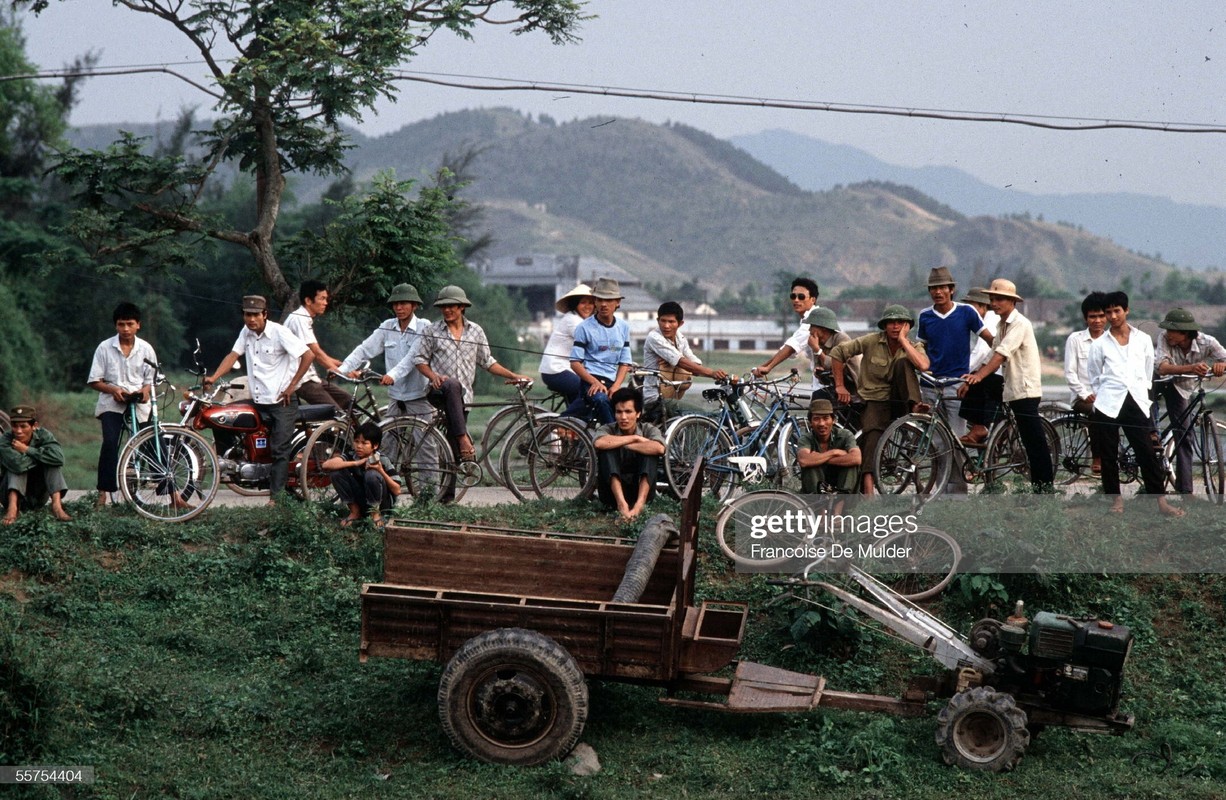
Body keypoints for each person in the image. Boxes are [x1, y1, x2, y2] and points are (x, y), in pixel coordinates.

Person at [204, 295, 314, 502]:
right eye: (247, 314)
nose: (251, 319)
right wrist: (213, 377)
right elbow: (233, 355)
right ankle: (235, 462)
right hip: (258, 399)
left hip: (282, 402)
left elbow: (308, 355)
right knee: (222, 418)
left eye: (255, 315)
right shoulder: (246, 332)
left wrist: (292, 386)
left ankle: (276, 498)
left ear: (265, 314)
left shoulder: (279, 332)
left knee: (279, 448)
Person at [1085, 291, 1181, 516]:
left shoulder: (1143, 339)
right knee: (1109, 454)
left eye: (1117, 311)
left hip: (1137, 401)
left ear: (1126, 310)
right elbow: (1094, 376)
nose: (1113, 316)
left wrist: (1141, 393)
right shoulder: (1100, 344)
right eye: (1108, 312)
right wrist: (1105, 396)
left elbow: (1148, 372)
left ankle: (1161, 502)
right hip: (1108, 403)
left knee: (1147, 452)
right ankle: (1116, 501)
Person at [413, 285, 532, 462]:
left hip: (464, 399)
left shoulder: (475, 331)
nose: (447, 310)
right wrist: (434, 377)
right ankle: (464, 439)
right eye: (443, 307)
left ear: (462, 307)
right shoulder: (432, 331)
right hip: (438, 392)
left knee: (454, 454)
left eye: (451, 306)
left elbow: (487, 362)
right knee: (452, 384)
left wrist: (513, 376)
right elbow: (420, 360)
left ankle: (449, 487)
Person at [962, 279, 1053, 491]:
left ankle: (1044, 488)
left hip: (1025, 391)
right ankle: (981, 428)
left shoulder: (1020, 324)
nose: (995, 303)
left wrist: (981, 375)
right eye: (992, 299)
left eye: (1000, 299)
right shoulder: (1001, 325)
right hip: (1010, 388)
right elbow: (991, 354)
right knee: (977, 382)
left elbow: (1001, 356)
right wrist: (974, 377)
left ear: (1012, 301)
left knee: (1034, 443)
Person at [830, 304, 930, 495]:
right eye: (891, 322)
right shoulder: (871, 341)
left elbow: (924, 365)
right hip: (875, 400)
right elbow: (838, 353)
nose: (895, 326)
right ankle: (868, 489)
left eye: (900, 323)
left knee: (903, 363)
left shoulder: (914, 346)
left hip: (903, 401)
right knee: (872, 437)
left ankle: (916, 406)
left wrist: (903, 341)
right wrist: (840, 386)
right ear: (884, 325)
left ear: (907, 326)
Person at [86, 301, 158, 507]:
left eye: (129, 324)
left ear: (138, 325)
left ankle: (173, 494)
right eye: (121, 324)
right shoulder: (104, 347)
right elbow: (94, 380)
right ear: (115, 325)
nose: (125, 329)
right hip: (112, 401)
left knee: (153, 441)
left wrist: (145, 391)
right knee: (110, 443)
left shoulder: (146, 349)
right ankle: (103, 493)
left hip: (139, 402)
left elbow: (150, 379)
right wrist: (113, 390)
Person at [1155, 307, 1226, 494]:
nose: (1168, 334)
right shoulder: (1164, 338)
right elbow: (1162, 367)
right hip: (1160, 381)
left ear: (1185, 333)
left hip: (1183, 387)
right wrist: (1192, 367)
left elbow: (1225, 358)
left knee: (1184, 434)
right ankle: (1151, 434)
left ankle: (1184, 490)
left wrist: (1220, 365)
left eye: (1172, 331)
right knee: (1151, 424)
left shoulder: (1207, 342)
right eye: (1168, 330)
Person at [916, 266, 991, 438]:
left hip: (956, 384)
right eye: (934, 288)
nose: (938, 292)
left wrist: (997, 359)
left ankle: (957, 466)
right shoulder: (925, 315)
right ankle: (939, 466)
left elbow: (990, 340)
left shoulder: (966, 312)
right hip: (930, 384)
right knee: (933, 440)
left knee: (956, 438)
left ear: (952, 289)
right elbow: (922, 347)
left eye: (943, 287)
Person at [337, 283, 432, 418]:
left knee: (422, 437)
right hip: (396, 395)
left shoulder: (424, 326)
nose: (398, 308)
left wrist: (392, 375)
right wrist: (341, 370)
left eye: (403, 303)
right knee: (388, 437)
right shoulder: (387, 326)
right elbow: (364, 349)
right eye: (395, 304)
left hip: (418, 396)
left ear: (414, 305)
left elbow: (412, 357)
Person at [641, 301, 728, 422]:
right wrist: (711, 373)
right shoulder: (654, 337)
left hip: (672, 397)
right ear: (657, 320)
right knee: (699, 416)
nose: (666, 326)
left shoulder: (680, 338)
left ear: (680, 323)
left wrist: (676, 362)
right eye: (663, 320)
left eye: (671, 322)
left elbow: (695, 364)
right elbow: (681, 361)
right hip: (655, 399)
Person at [593, 387, 666, 520]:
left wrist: (624, 444)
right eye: (619, 412)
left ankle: (639, 505)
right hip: (611, 495)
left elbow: (659, 448)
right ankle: (622, 505)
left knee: (650, 452)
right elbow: (599, 443)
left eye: (628, 412)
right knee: (607, 451)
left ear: (638, 413)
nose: (623, 417)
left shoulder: (648, 429)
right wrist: (635, 438)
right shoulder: (607, 428)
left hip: (640, 491)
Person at [569, 277, 633, 426]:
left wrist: (617, 386)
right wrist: (595, 382)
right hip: (590, 382)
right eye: (600, 300)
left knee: (631, 404)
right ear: (595, 302)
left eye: (609, 300)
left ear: (618, 302)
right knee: (601, 400)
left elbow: (625, 362)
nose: (604, 304)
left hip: (612, 382)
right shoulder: (584, 327)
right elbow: (575, 363)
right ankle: (613, 439)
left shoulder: (623, 327)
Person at [285, 279, 351, 409]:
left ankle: (349, 429)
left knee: (347, 400)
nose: (325, 303)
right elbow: (316, 353)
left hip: (312, 378)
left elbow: (319, 353)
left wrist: (345, 366)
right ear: (308, 301)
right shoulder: (299, 319)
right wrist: (342, 371)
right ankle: (335, 428)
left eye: (326, 299)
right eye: (322, 299)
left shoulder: (304, 319)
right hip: (301, 381)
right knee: (334, 412)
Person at [322, 421, 400, 529]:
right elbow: (326, 465)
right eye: (356, 441)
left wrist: (381, 470)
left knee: (372, 475)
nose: (359, 446)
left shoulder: (382, 459)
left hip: (382, 504)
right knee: (336, 473)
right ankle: (355, 512)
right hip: (362, 499)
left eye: (364, 443)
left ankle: (375, 515)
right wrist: (356, 463)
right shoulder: (352, 455)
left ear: (375, 445)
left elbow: (397, 490)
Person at [1064, 292, 1110, 473]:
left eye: (1101, 316)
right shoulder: (1075, 340)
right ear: (1085, 318)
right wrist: (1085, 394)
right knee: (1097, 411)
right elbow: (1070, 373)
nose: (1097, 321)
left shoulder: (1112, 341)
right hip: (1083, 399)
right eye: (1092, 316)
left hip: (1108, 397)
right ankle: (1097, 456)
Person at [1, 405, 71, 524]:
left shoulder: (44, 435)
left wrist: (27, 450)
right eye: (14, 426)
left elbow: (59, 458)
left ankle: (57, 507)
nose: (18, 431)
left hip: (37, 496)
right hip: (8, 494)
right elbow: (18, 464)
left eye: (23, 426)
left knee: (52, 463)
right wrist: (41, 456)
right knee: (16, 466)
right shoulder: (6, 439)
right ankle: (12, 509)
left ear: (34, 426)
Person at [539, 283, 596, 419]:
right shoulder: (573, 320)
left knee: (584, 409)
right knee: (589, 391)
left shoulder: (584, 321)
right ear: (575, 304)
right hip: (555, 371)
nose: (587, 306)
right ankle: (563, 422)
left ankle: (577, 432)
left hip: (566, 370)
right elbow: (592, 344)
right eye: (583, 302)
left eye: (591, 303)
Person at [957, 287, 1004, 442]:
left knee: (976, 383)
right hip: (995, 369)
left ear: (983, 306)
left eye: (973, 307)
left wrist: (962, 374)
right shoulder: (983, 321)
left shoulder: (990, 319)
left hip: (1001, 373)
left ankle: (979, 428)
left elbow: (981, 352)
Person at [752, 277, 819, 378]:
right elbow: (789, 346)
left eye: (801, 297)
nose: (796, 300)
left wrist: (768, 367)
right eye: (793, 296)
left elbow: (792, 346)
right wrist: (764, 366)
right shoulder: (808, 318)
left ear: (813, 300)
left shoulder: (815, 318)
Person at [796, 398, 861, 494]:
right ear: (810, 422)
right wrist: (834, 452)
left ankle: (839, 508)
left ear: (833, 420)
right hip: (814, 493)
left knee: (851, 465)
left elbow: (856, 458)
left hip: (841, 487)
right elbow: (804, 460)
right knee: (811, 467)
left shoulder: (845, 435)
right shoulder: (806, 438)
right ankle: (820, 507)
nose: (822, 423)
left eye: (826, 418)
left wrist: (818, 458)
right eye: (816, 419)